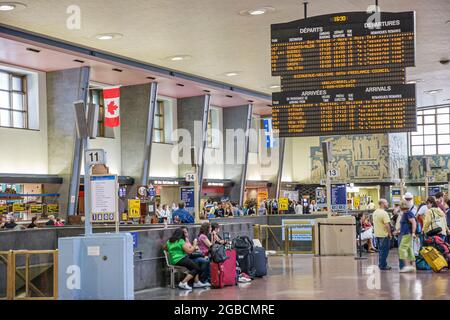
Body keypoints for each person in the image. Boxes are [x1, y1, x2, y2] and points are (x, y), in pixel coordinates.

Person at [373, 199, 393, 270]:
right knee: (384, 251)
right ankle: (383, 265)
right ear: (382, 204)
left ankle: (381, 264)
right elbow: (387, 225)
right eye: (386, 202)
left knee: (381, 251)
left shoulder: (375, 212)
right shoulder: (384, 213)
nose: (387, 203)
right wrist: (390, 234)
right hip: (384, 235)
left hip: (377, 234)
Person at [398, 199, 417, 273]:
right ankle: (412, 266)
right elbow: (405, 224)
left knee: (402, 249)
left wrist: (413, 232)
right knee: (409, 249)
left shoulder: (408, 213)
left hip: (407, 234)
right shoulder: (405, 213)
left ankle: (407, 266)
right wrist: (398, 230)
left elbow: (413, 222)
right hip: (406, 233)